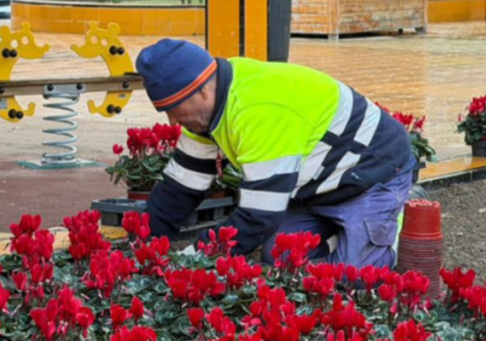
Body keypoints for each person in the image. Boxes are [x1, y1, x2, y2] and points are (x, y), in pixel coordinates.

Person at [135, 38, 415, 269]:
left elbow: (259, 214)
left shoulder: (258, 110)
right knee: (280, 260)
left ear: (202, 91)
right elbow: (179, 189)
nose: (172, 121)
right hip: (316, 187)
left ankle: (397, 210)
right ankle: (344, 233)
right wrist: (144, 245)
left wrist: (194, 260)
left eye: (173, 108)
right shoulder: (209, 108)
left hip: (372, 175)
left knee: (356, 276)